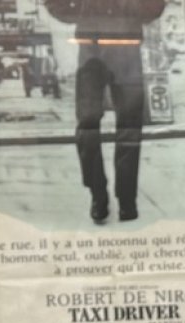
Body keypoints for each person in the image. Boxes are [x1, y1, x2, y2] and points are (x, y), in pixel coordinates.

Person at [45, 0, 167, 223]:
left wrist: (129, 10)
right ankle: (97, 193)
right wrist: (82, 11)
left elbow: (155, 5)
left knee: (129, 124)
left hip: (126, 48)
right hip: (91, 51)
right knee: (87, 122)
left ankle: (127, 199)